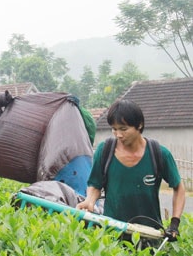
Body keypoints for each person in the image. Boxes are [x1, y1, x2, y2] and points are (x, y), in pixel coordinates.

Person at [76, 100, 185, 245]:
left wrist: (174, 223)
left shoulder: (158, 153)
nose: (118, 135)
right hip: (113, 234)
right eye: (114, 129)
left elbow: (179, 187)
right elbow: (95, 184)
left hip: (149, 235)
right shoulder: (105, 151)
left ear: (139, 125)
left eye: (123, 129)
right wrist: (90, 201)